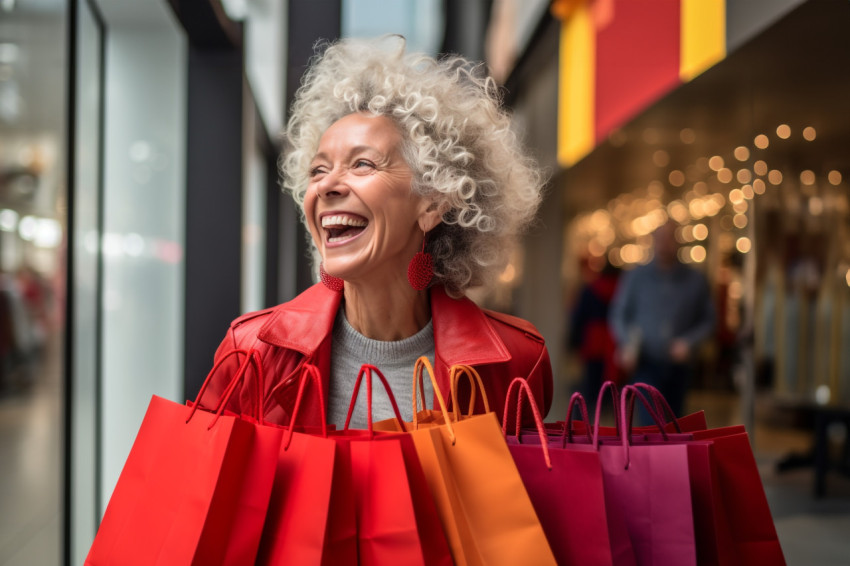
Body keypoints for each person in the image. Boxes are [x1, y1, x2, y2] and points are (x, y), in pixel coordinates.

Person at [199, 36, 552, 428]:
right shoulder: (252, 354)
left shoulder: (517, 361)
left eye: (362, 164)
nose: (327, 186)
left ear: (433, 203)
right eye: (318, 170)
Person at [608, 220, 715, 422]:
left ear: (678, 242)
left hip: (679, 365)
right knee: (651, 423)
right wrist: (627, 343)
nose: (665, 244)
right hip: (646, 361)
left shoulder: (695, 280)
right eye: (661, 239)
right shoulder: (637, 277)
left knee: (675, 423)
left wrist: (689, 342)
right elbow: (619, 313)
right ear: (653, 242)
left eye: (670, 239)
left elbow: (708, 320)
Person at [568, 260, 622, 414]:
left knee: (589, 385)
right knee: (613, 385)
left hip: (594, 341)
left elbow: (579, 317)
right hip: (615, 341)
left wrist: (574, 343)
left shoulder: (591, 289)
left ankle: (587, 420)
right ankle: (610, 421)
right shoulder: (622, 290)